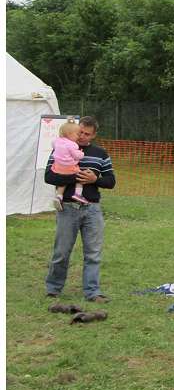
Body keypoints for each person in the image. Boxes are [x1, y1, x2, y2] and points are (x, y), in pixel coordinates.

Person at [44, 116, 116, 302]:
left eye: (87, 134)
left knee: (93, 254)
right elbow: (49, 177)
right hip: (68, 207)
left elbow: (111, 181)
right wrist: (75, 177)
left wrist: (95, 180)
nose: (82, 136)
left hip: (92, 209)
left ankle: (93, 292)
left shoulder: (101, 154)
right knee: (61, 252)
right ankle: (53, 288)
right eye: (80, 132)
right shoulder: (60, 148)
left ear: (94, 135)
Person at [50, 121, 88, 209]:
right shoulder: (72, 145)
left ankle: (59, 196)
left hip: (57, 168)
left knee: (63, 182)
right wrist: (81, 153)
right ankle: (78, 194)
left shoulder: (57, 141)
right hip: (69, 168)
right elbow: (77, 156)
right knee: (80, 178)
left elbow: (53, 145)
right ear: (69, 134)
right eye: (77, 134)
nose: (79, 136)